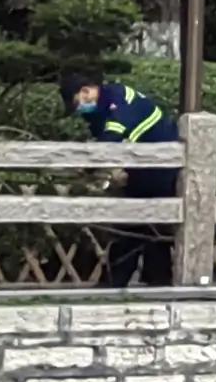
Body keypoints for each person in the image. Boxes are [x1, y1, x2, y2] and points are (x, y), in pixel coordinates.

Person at [66, 70, 182, 288]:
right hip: (141, 167)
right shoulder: (99, 108)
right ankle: (154, 280)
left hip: (160, 166)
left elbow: (111, 139)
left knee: (142, 224)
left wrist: (87, 168)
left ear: (86, 91)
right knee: (144, 225)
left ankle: (121, 280)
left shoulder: (119, 99)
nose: (78, 110)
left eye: (77, 103)